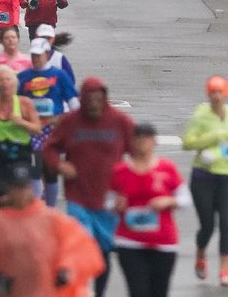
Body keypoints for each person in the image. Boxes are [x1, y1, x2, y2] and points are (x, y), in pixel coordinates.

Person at [42, 76, 135, 297]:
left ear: (104, 99)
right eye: (89, 100)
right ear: (82, 100)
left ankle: (99, 292)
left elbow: (139, 153)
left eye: (98, 99)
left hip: (108, 199)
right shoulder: (71, 122)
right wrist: (60, 166)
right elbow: (50, 149)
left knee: (102, 252)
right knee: (81, 247)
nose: (93, 104)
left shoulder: (120, 122)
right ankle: (80, 290)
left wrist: (129, 189)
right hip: (78, 197)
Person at [0, 161, 105, 297]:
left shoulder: (52, 219)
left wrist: (67, 269)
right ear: (9, 190)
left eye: (25, 187)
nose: (22, 194)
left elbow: (79, 246)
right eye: (17, 188)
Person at [110, 122, 190, 297]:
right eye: (137, 138)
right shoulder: (120, 171)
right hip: (129, 241)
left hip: (163, 241)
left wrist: (168, 201)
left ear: (154, 142)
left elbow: (185, 199)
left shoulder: (167, 169)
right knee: (138, 291)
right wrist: (116, 205)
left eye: (146, 138)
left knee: (159, 292)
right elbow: (107, 202)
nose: (142, 143)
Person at [182, 75, 228, 288]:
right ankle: (201, 254)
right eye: (213, 92)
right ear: (208, 94)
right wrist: (211, 139)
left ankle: (224, 271)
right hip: (203, 177)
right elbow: (187, 143)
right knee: (208, 225)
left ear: (226, 93)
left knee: (227, 223)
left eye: (220, 92)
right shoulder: (200, 116)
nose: (217, 96)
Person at [18, 38, 79, 207]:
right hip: (32, 130)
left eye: (39, 55)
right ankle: (37, 205)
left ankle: (50, 208)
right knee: (35, 169)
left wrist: (74, 122)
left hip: (53, 130)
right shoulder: (23, 77)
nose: (36, 59)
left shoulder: (59, 76)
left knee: (50, 171)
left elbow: (73, 101)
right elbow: (14, 101)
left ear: (46, 54)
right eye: (33, 55)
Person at [0, 65, 41, 199]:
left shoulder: (25, 104)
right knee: (3, 196)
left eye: (8, 80)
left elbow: (37, 129)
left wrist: (21, 122)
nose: (5, 83)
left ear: (15, 83)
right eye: (1, 80)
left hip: (20, 153)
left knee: (19, 191)